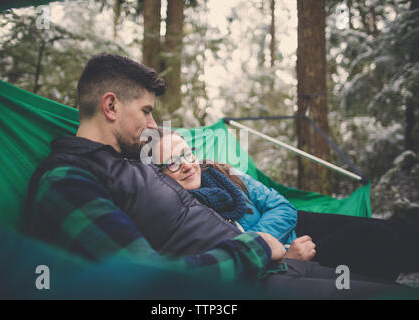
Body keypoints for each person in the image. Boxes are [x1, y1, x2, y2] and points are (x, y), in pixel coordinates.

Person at [24, 54, 417, 299]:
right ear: (110, 105)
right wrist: (257, 247)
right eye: (146, 111)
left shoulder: (127, 164)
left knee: (389, 268)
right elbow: (145, 279)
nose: (153, 124)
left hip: (276, 266)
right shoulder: (66, 178)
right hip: (249, 281)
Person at [153, 129, 419, 283]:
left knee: (394, 229)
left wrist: (262, 239)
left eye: (187, 154)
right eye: (173, 162)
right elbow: (229, 261)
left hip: (297, 224)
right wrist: (281, 255)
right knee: (377, 240)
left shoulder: (222, 172)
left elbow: (284, 207)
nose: (187, 164)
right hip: (291, 257)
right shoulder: (184, 215)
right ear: (158, 175)